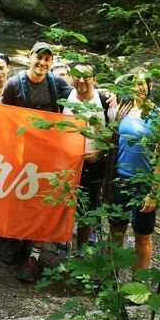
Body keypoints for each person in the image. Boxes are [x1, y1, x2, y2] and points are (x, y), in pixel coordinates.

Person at [1, 41, 72, 282]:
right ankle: (14, 241)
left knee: (42, 201)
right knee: (16, 197)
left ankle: (34, 256)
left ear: (51, 63)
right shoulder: (13, 84)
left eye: (47, 59)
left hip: (47, 154)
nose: (42, 63)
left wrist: (108, 97)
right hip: (18, 153)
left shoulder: (58, 84)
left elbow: (80, 102)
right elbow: (2, 118)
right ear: (29, 57)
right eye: (38, 58)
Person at [105, 71, 160, 275]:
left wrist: (154, 193)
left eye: (143, 83)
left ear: (150, 86)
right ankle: (112, 279)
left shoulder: (159, 115)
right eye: (135, 84)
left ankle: (136, 285)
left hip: (144, 184)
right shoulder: (123, 110)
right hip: (119, 179)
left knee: (142, 236)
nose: (139, 88)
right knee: (116, 231)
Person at [63, 63, 113, 250]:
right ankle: (63, 242)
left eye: (86, 76)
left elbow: (113, 135)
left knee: (88, 209)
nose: (81, 80)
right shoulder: (64, 96)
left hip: (93, 164)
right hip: (66, 163)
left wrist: (100, 152)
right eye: (77, 75)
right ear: (71, 77)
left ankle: (81, 251)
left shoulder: (104, 101)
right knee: (62, 204)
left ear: (95, 79)